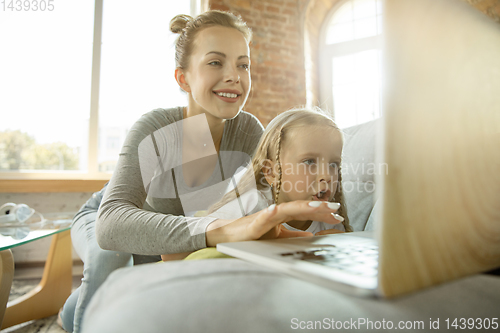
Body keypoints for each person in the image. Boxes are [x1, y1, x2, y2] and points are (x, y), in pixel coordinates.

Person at [60, 10, 340, 332]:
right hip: (104, 215)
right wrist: (216, 229)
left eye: (243, 64)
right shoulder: (155, 128)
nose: (235, 76)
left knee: (96, 300)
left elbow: (267, 196)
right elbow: (110, 224)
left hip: (164, 248)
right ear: (183, 78)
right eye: (215, 63)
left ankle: (68, 310)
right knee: (110, 256)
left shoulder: (249, 131)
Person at [161, 107, 352, 261]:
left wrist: (337, 246)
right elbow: (170, 253)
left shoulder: (329, 219)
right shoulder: (250, 204)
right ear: (271, 173)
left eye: (334, 164)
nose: (327, 175)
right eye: (309, 162)